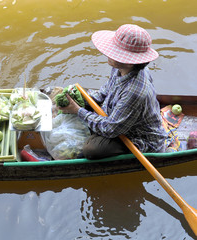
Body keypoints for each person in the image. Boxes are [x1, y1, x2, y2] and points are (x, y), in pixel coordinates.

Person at [59, 24, 167, 159]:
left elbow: (110, 129)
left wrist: (78, 111)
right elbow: (105, 91)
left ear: (129, 62)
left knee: (91, 149)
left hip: (137, 137)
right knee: (77, 100)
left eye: (115, 53)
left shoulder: (135, 92)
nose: (108, 54)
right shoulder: (120, 67)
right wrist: (83, 99)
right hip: (116, 118)